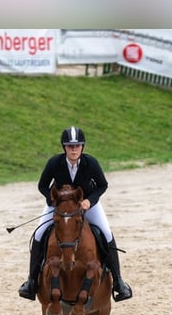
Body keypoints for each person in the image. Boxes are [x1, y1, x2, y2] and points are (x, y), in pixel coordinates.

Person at [18, 126, 133, 302]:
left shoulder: (91, 163)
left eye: (77, 146)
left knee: (107, 233)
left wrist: (90, 200)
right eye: (70, 146)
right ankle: (31, 281)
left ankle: (118, 282)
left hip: (86, 205)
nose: (74, 149)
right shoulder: (54, 163)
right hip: (60, 206)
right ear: (64, 147)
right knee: (40, 234)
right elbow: (42, 185)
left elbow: (102, 185)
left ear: (82, 147)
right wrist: (52, 201)